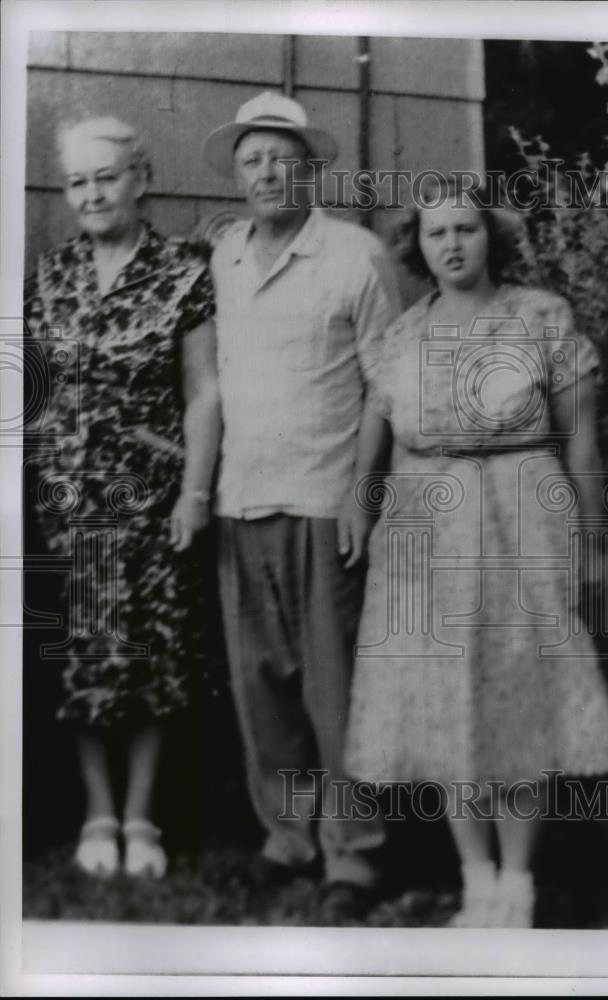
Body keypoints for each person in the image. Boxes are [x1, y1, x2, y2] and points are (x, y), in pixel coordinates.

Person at [344, 179, 608, 927]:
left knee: (518, 693)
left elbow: (585, 442)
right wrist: (358, 507)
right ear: (418, 245)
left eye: (466, 229)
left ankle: (519, 881)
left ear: (488, 237)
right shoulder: (399, 337)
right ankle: (474, 878)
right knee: (443, 701)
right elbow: (374, 444)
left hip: (521, 510)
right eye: (436, 233)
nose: (452, 244)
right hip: (422, 521)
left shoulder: (540, 317)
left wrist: (594, 540)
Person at [201, 92, 400, 919]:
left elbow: (387, 387)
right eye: (254, 160)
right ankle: (289, 839)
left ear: (310, 169)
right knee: (263, 688)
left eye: (285, 158)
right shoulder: (223, 258)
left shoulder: (355, 256)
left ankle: (354, 854)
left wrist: (362, 496)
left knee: (335, 686)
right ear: (238, 177)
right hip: (241, 498)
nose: (270, 173)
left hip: (325, 500)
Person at [24, 117, 221, 879]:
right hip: (65, 500)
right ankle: (95, 811)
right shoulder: (48, 277)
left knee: (150, 654)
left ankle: (141, 815)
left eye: (106, 177)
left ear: (140, 178)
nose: (92, 194)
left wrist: (195, 492)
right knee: (79, 657)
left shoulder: (183, 273)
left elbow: (205, 393)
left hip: (151, 497)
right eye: (77, 181)